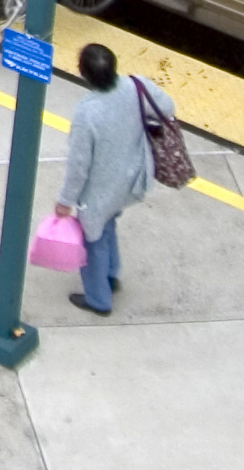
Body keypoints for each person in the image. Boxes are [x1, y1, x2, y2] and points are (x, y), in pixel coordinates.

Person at [53, 41, 173, 315]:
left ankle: (99, 299)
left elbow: (78, 166)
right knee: (108, 225)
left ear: (84, 74)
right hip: (131, 178)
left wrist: (65, 201)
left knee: (93, 239)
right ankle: (111, 276)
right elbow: (167, 107)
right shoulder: (136, 87)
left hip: (99, 192)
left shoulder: (87, 113)